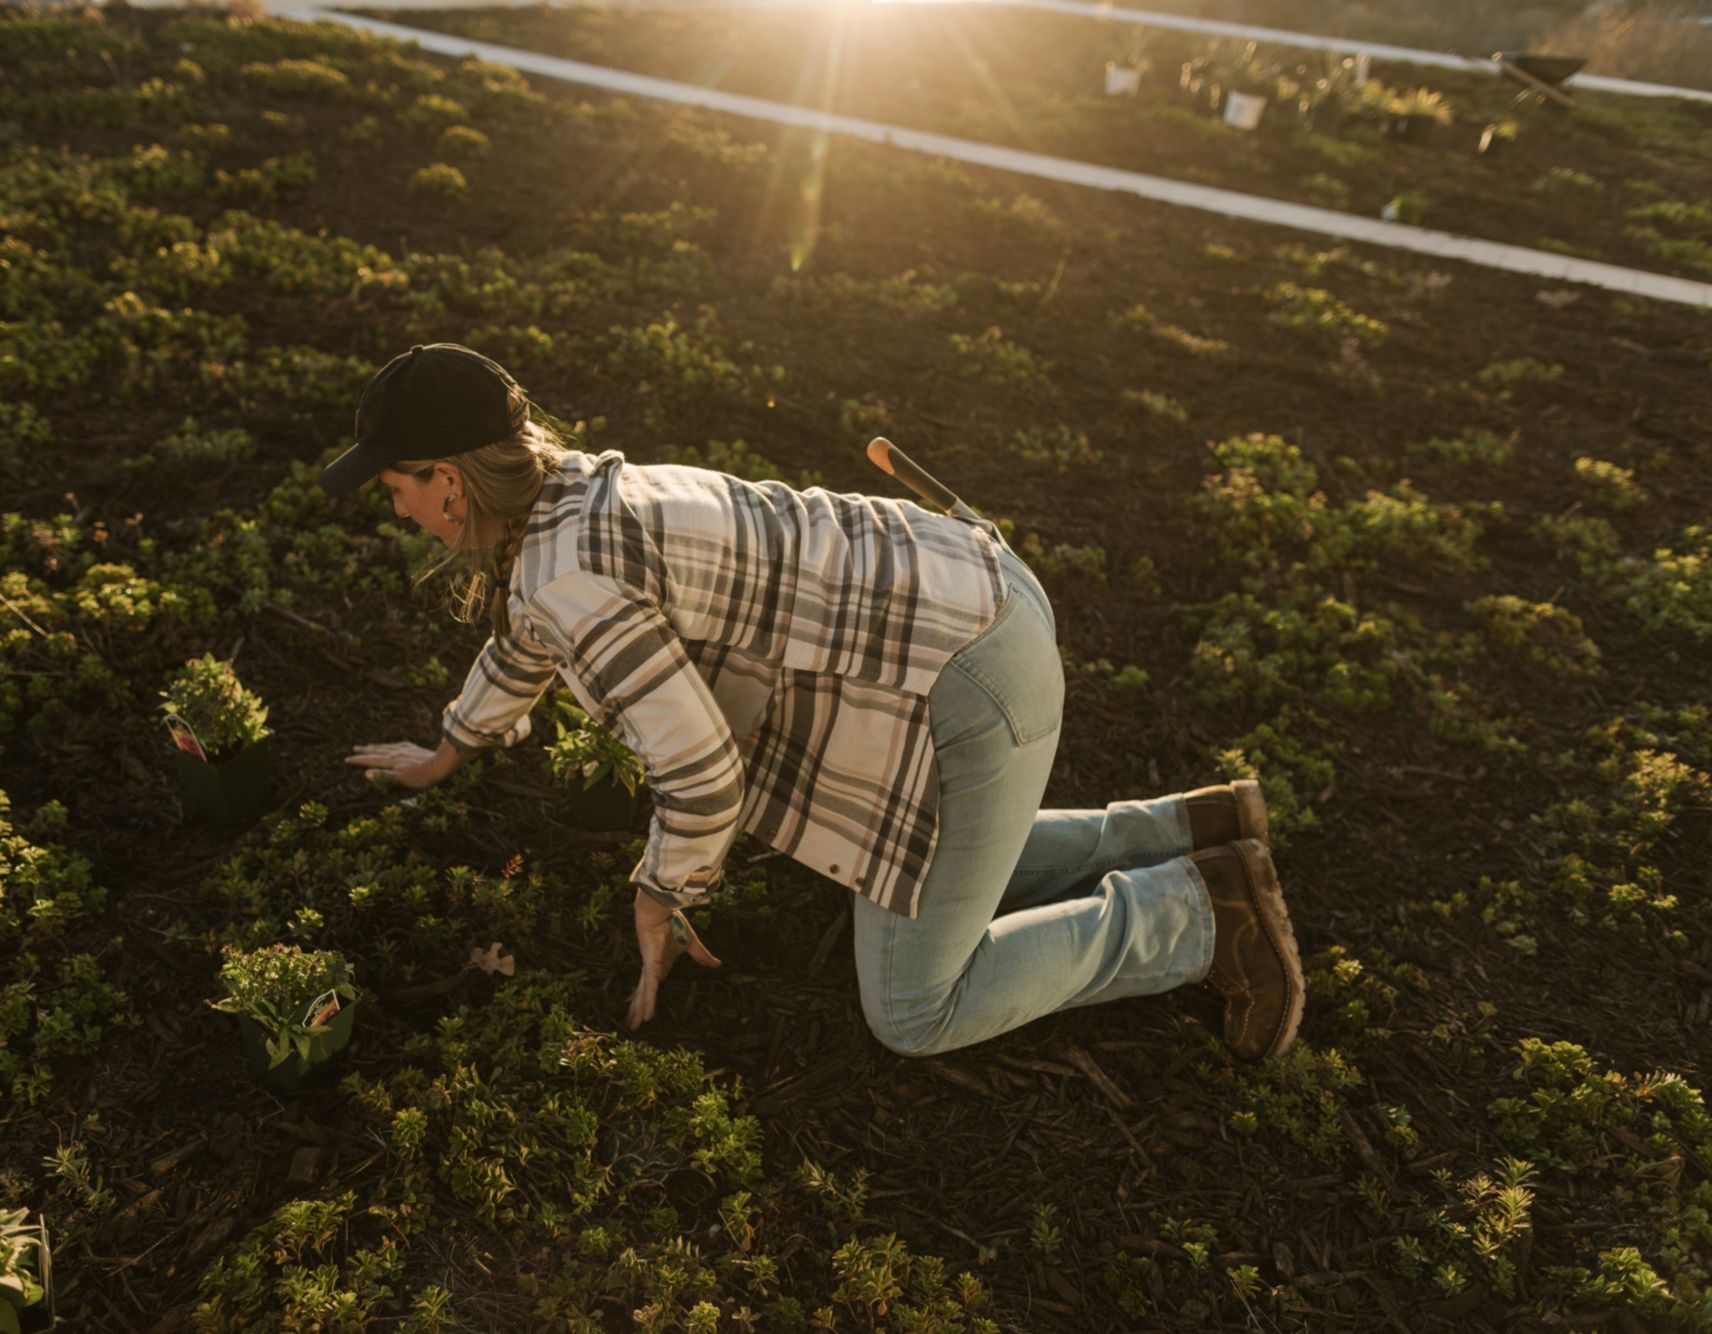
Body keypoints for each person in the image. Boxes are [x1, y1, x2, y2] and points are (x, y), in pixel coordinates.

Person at [335, 343, 1304, 1062]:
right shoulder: (568, 499)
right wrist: (448, 748)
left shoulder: (566, 572)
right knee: (929, 854)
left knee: (916, 1004)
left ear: (449, 483)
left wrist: (659, 891)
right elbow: (523, 641)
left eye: (395, 488)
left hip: (966, 674)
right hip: (973, 588)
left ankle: (1198, 915)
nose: (396, 510)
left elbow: (700, 772)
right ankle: (1194, 825)